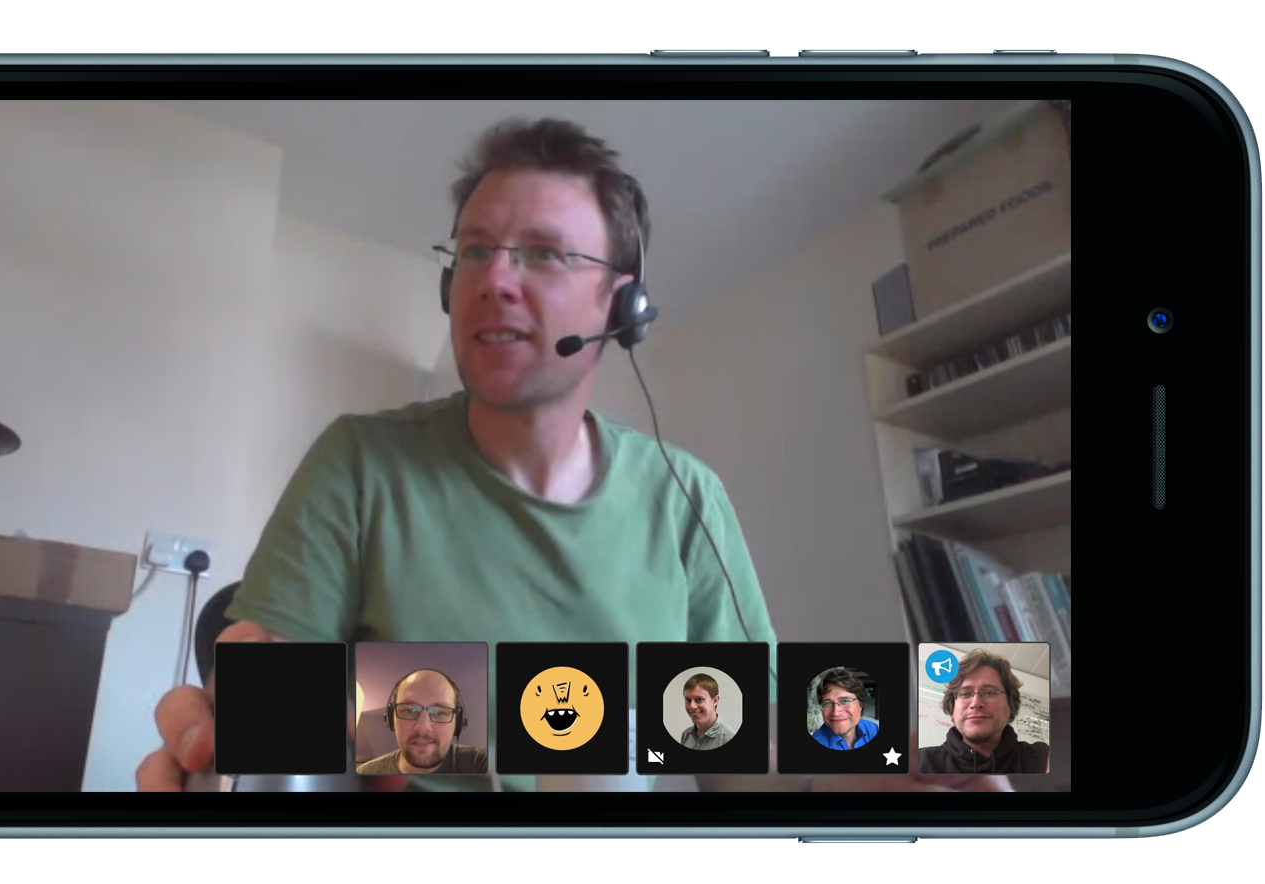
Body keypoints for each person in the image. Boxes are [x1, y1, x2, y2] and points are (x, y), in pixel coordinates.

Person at [136, 117, 1004, 795]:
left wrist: (902, 767)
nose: (493, 278)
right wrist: (246, 720)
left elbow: (750, 741)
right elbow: (269, 707)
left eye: (545, 253)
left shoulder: (686, 495)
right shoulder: (359, 462)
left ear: (621, 307)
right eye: (474, 250)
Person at [917, 649, 1052, 774]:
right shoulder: (918, 762)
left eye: (989, 692)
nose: (976, 703)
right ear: (953, 707)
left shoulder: (1043, 758)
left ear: (1010, 704)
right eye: (965, 694)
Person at [357, 669, 489, 775]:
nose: (422, 728)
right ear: (391, 719)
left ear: (458, 722)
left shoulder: (482, 764)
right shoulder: (365, 774)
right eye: (409, 710)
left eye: (439, 713)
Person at [810, 668, 878, 751]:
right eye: (828, 703)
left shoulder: (872, 729)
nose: (835, 712)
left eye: (845, 701)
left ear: (860, 704)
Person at [678, 673, 735, 750]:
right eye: (688, 700)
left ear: (715, 700)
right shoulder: (686, 735)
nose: (692, 706)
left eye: (699, 699)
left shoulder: (729, 738)